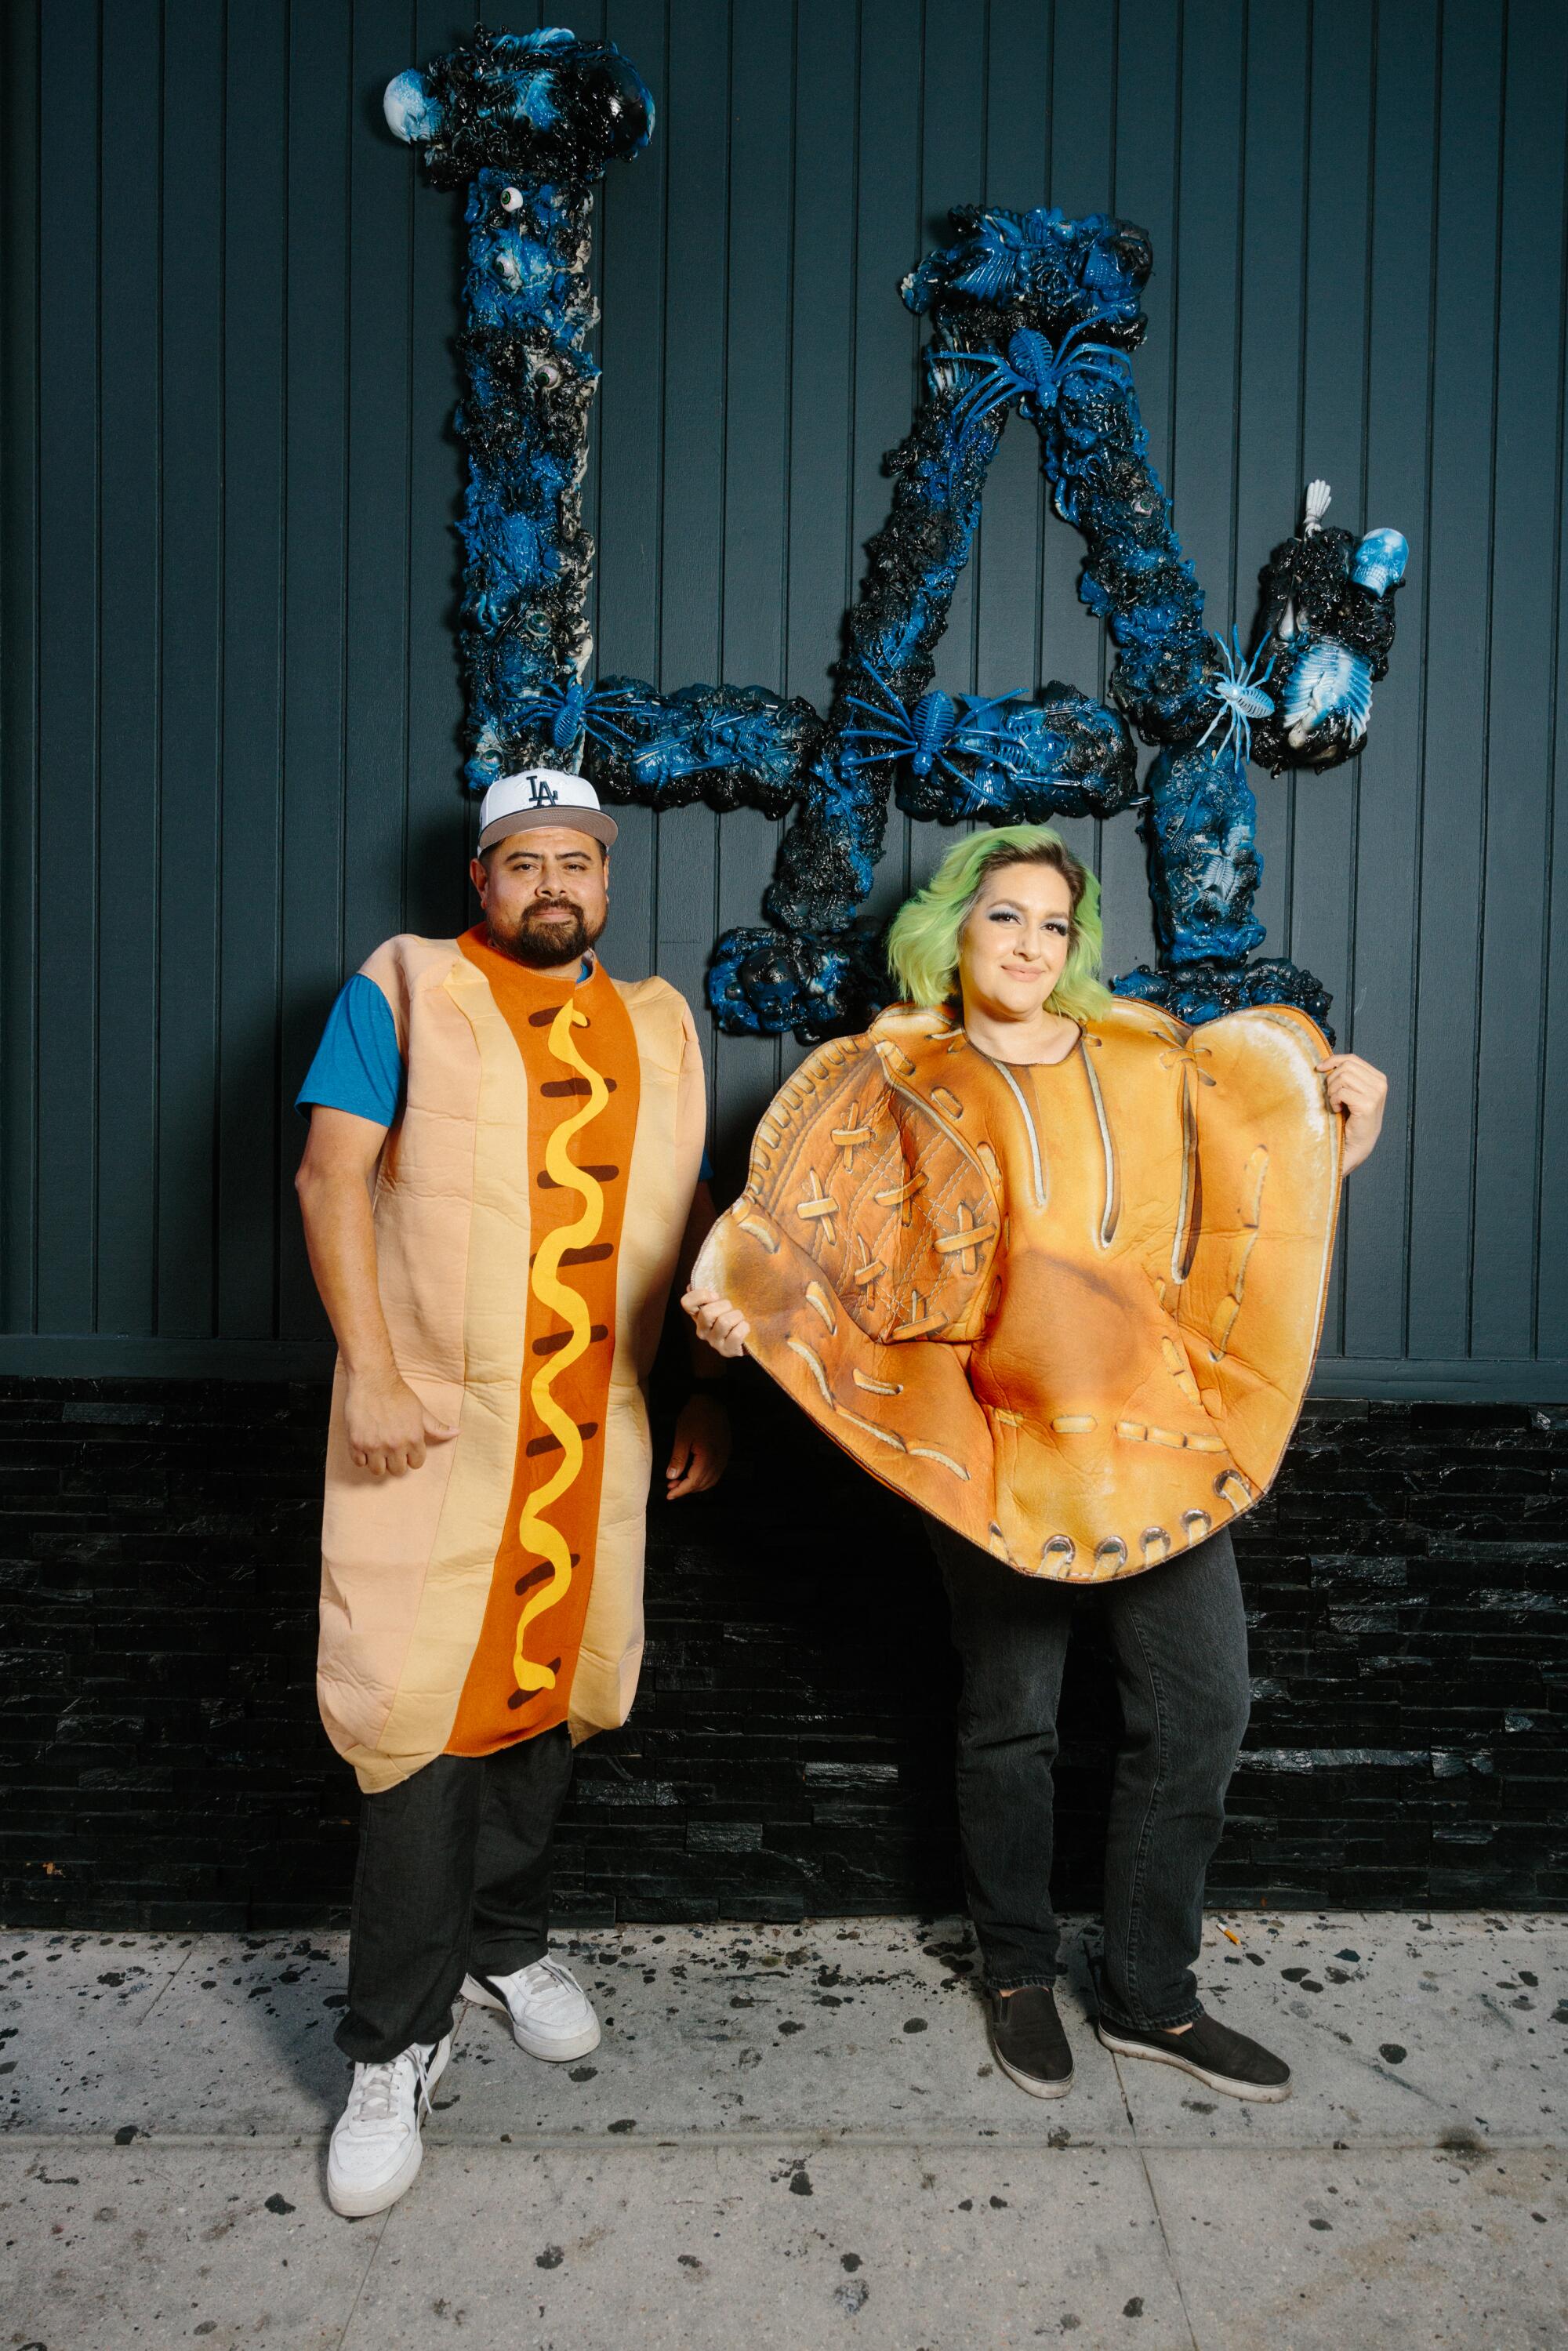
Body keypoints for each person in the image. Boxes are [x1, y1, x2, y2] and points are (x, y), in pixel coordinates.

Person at [685, 822, 1386, 2106]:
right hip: (992, 1441)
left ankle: (1147, 1995)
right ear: (954, 928)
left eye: (1053, 925)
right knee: (1009, 1722)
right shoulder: (904, 1072)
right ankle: (1016, 1969)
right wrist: (742, 1317)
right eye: (1003, 916)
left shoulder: (1142, 1052)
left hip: (1155, 1429)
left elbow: (1260, 1197)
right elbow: (808, 1243)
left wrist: (1348, 1125)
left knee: (1200, 1713)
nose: (1028, 944)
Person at [296, 767, 731, 2215]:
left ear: (605, 883)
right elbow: (327, 1177)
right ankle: (390, 2042)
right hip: (432, 1429)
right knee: (417, 1718)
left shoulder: (663, 1026)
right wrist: (367, 1368)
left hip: (594, 1431)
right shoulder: (402, 988)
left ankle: (503, 1938)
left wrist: (704, 1393)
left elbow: (697, 1233)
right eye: (524, 859)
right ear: (478, 881)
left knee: (558, 1695)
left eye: (578, 861)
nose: (555, 881)